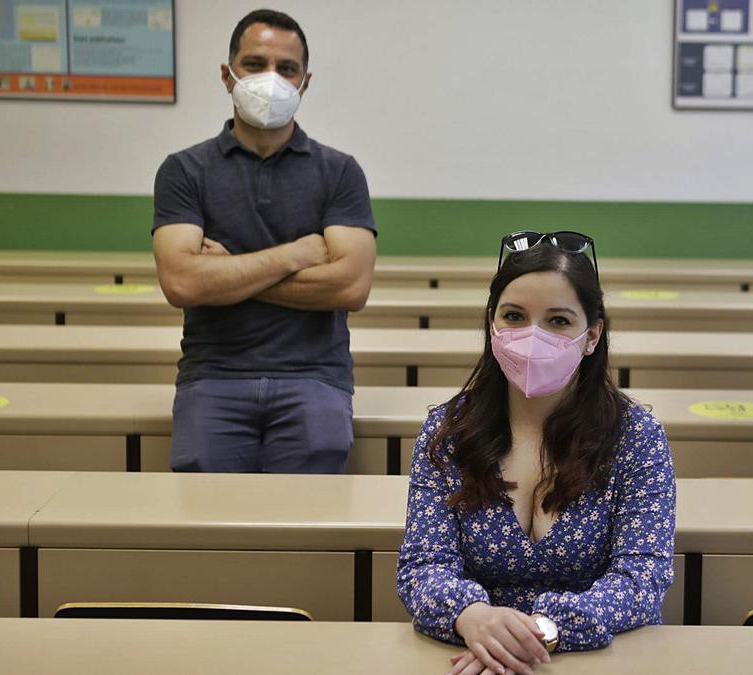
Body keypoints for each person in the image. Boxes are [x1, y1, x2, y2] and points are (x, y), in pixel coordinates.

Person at [397, 232, 675, 674]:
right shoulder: (449, 431)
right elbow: (423, 565)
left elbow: (641, 581)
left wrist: (537, 633)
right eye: (514, 316)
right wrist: (474, 618)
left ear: (592, 335)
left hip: (596, 658)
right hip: (467, 652)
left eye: (559, 321)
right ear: (492, 325)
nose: (532, 336)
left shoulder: (635, 437)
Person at [151, 9, 376, 473]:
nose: (270, 78)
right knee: (207, 529)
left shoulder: (340, 172)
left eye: (286, 68)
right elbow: (182, 283)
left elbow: (351, 287)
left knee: (307, 531)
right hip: (214, 375)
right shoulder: (184, 171)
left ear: (304, 82)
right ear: (227, 74)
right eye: (255, 64)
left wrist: (229, 273)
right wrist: (296, 254)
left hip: (315, 379)